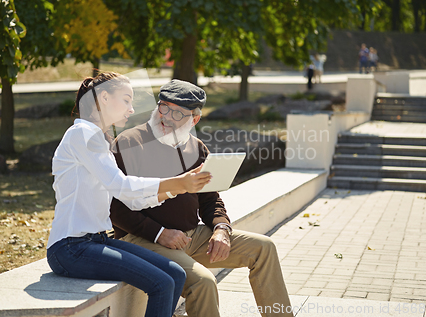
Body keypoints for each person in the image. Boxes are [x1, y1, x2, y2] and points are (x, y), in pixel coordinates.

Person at [110, 79, 294, 317]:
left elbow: (210, 200)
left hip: (190, 238)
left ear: (194, 119)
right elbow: (114, 206)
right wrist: (160, 233)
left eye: (177, 113)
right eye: (163, 107)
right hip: (144, 239)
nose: (166, 117)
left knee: (264, 248)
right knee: (204, 282)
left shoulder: (197, 148)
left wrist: (221, 229)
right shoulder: (128, 142)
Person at [47, 73, 212, 317]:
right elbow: (122, 186)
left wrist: (180, 187)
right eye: (126, 100)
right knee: (163, 283)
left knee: (176, 273)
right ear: (104, 98)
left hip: (96, 241)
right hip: (70, 248)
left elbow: (131, 198)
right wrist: (177, 183)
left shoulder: (98, 140)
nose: (132, 109)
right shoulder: (82, 135)